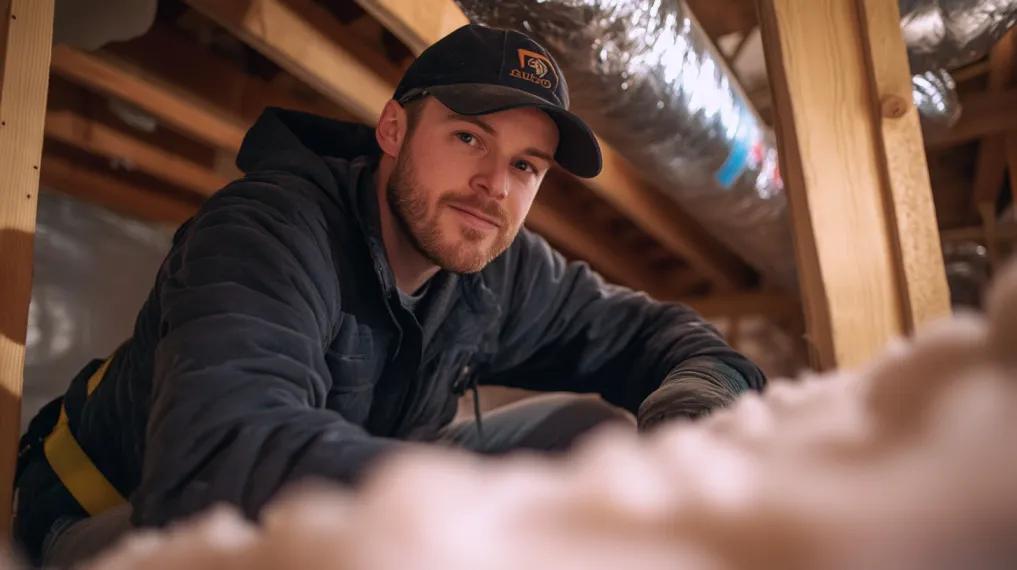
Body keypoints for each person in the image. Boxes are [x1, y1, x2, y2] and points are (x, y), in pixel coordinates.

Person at [13, 24, 765, 567]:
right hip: (116, 501)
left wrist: (692, 415)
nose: (494, 185)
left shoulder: (499, 264)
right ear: (394, 129)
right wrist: (485, 506)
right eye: (469, 138)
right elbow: (218, 459)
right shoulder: (269, 230)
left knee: (585, 429)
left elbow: (661, 338)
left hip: (338, 460)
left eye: (526, 165)